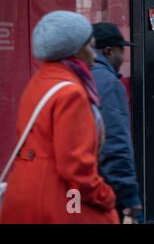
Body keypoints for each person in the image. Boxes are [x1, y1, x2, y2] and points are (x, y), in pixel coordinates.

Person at [0, 11, 119, 224]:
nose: (94, 56)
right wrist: (107, 197)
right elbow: (75, 166)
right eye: (90, 47)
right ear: (73, 52)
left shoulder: (39, 83)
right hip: (55, 203)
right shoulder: (72, 93)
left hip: (23, 196)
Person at [91, 22, 143, 224]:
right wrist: (129, 196)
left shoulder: (80, 77)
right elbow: (114, 143)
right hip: (105, 188)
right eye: (122, 50)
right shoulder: (108, 83)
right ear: (108, 51)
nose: (124, 57)